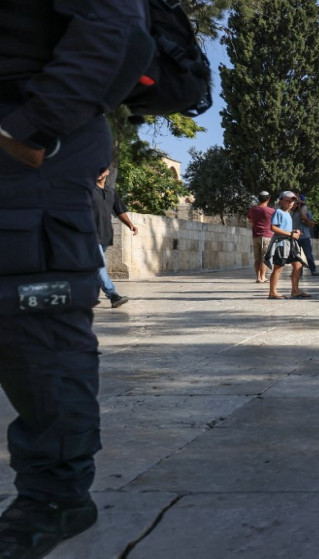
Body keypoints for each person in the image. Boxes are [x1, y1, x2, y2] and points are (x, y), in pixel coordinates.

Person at [0, 1, 149, 555]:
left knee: (31, 315)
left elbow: (117, 28)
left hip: (27, 138)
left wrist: (31, 127)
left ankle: (54, 497)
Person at [93, 167, 138, 308]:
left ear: (107, 172)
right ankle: (113, 295)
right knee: (99, 265)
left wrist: (130, 224)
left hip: (105, 234)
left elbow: (119, 211)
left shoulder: (111, 192)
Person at [265, 191, 310, 299]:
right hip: (281, 244)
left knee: (298, 265)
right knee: (278, 267)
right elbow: (273, 228)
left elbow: (284, 228)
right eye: (287, 200)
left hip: (290, 244)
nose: (290, 202)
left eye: (293, 200)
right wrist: (290, 234)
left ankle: (295, 290)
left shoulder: (288, 214)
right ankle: (272, 292)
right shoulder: (278, 212)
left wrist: (294, 232)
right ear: (281, 201)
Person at [248, 191, 275, 283]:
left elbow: (250, 220)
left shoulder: (252, 209)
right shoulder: (271, 211)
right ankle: (263, 277)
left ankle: (258, 277)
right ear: (268, 199)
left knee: (257, 259)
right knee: (265, 258)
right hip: (267, 236)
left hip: (255, 236)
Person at [291, 194, 318, 276]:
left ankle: (313, 270)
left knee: (308, 255)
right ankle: (298, 271)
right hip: (295, 237)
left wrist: (305, 219)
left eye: (298, 203)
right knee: (296, 256)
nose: (297, 205)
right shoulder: (291, 213)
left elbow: (312, 224)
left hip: (305, 237)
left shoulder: (307, 213)